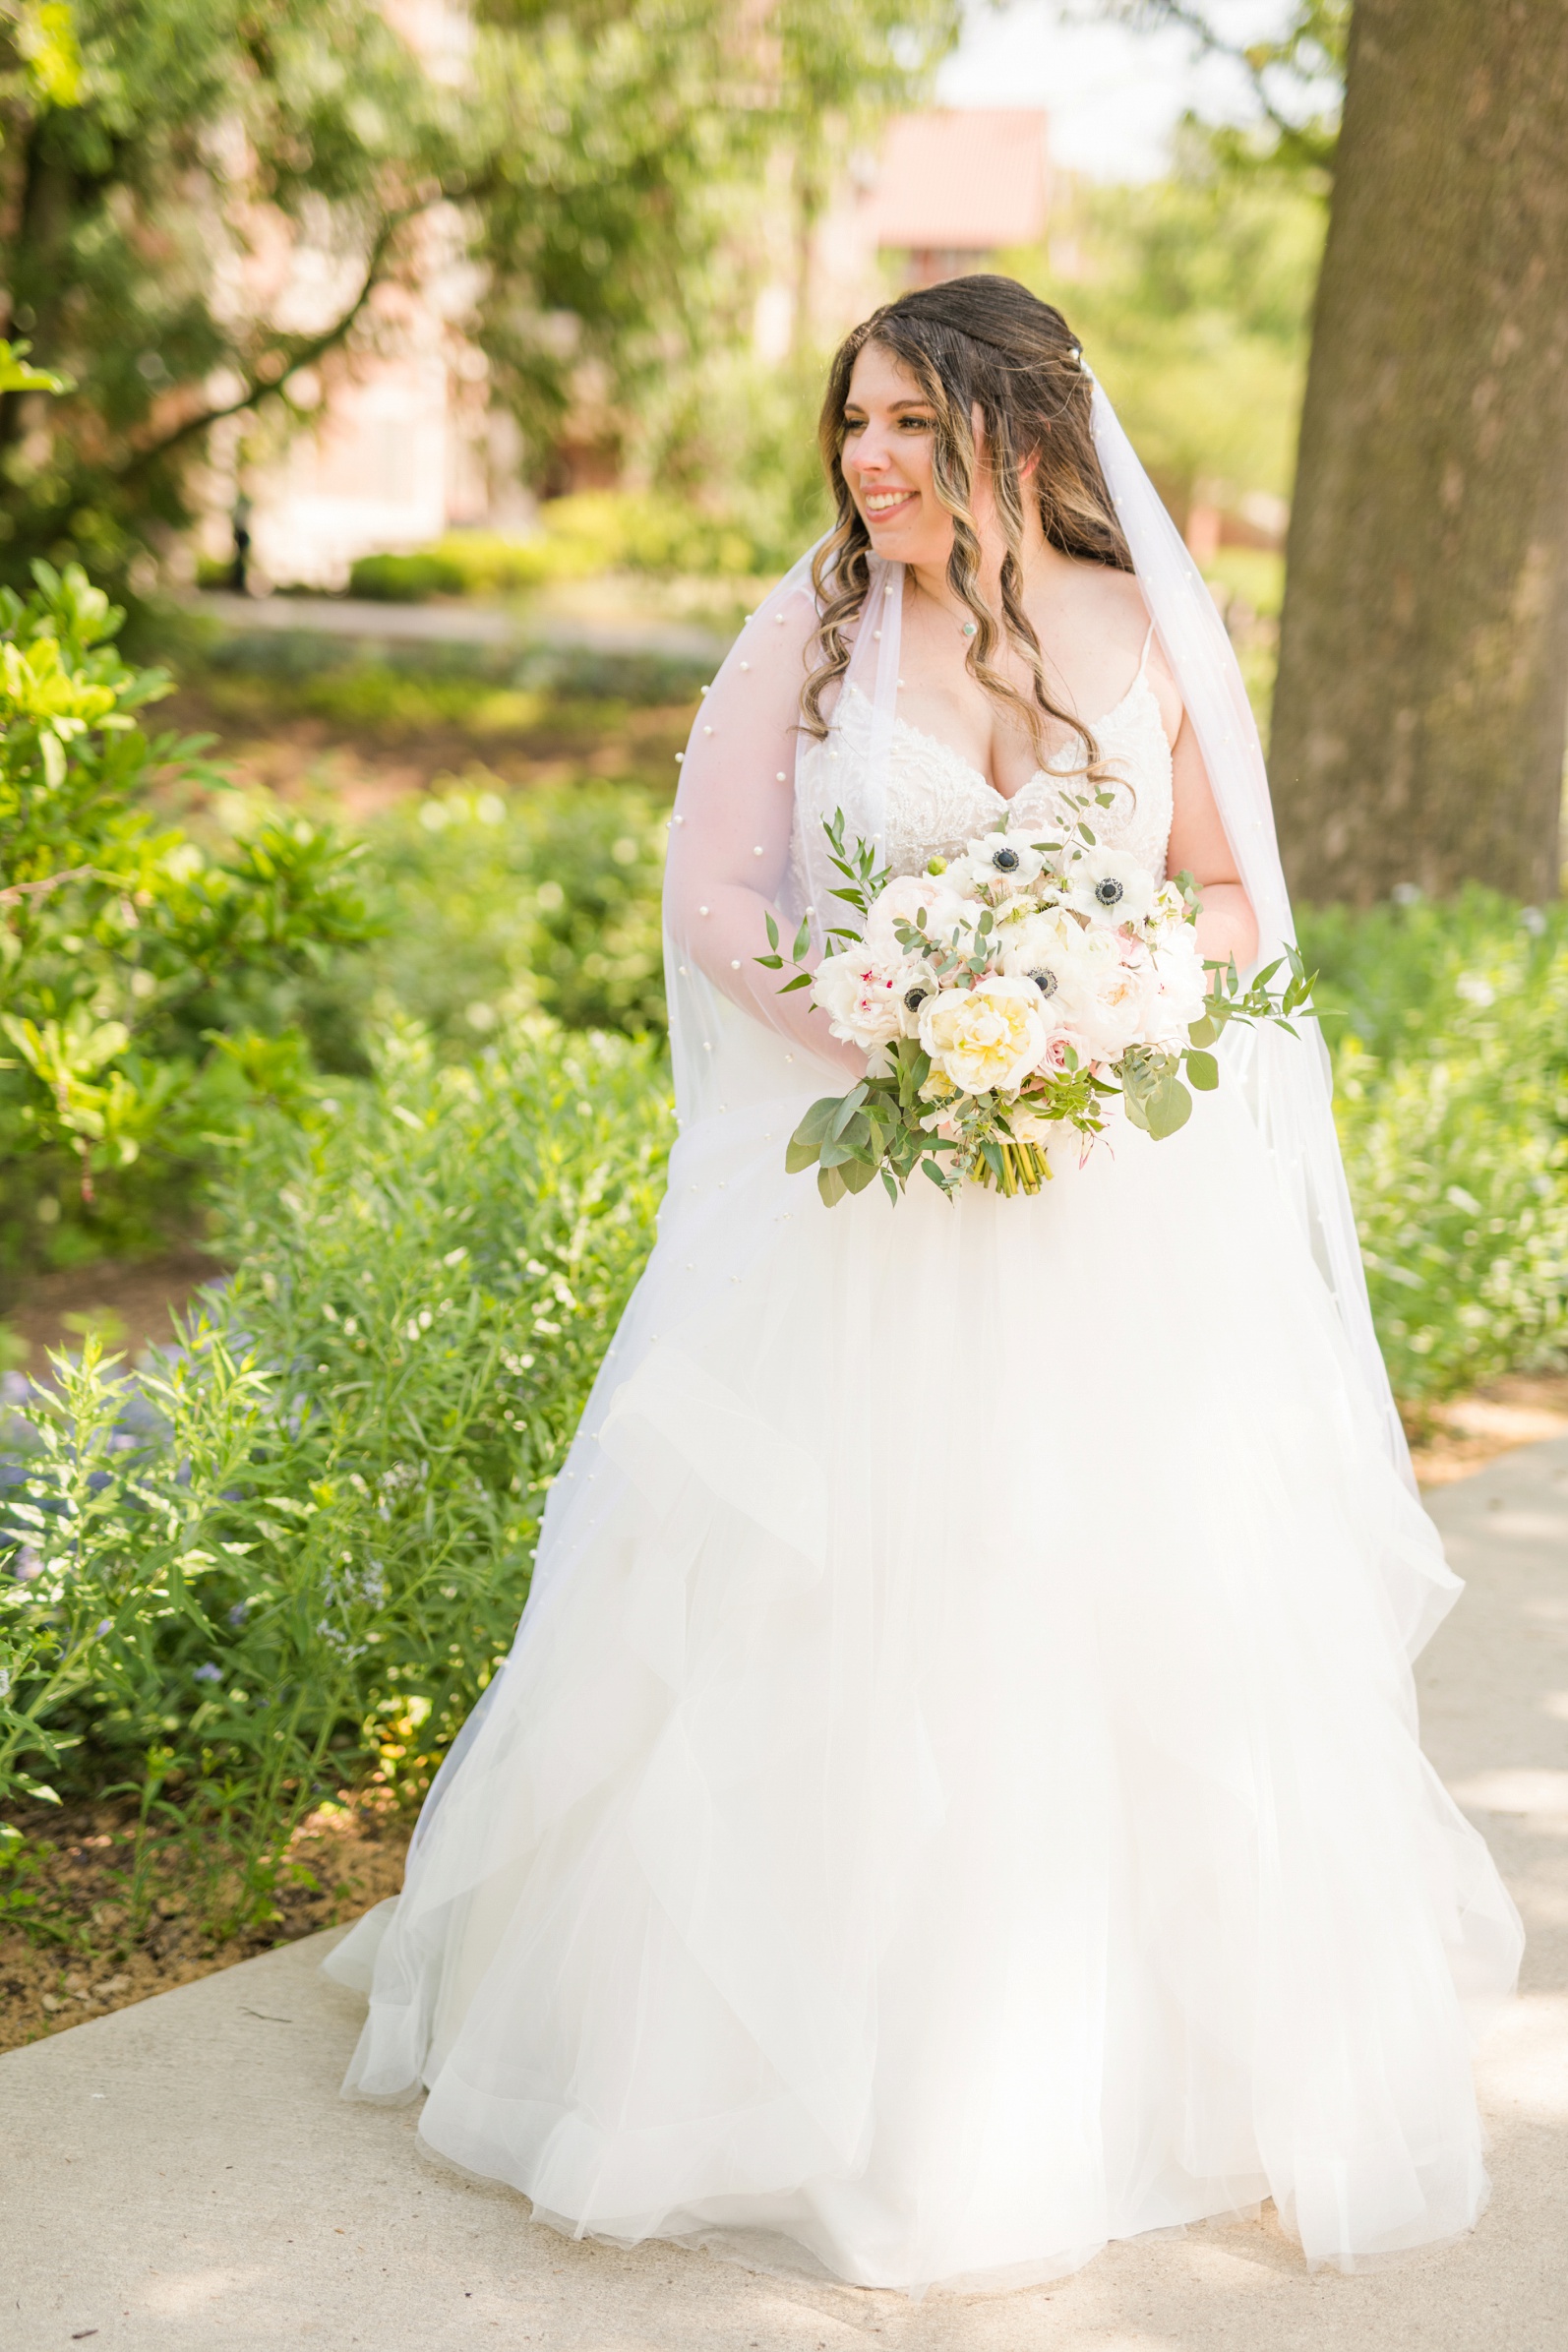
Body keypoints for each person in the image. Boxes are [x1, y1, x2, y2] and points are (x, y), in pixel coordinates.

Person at [326, 276, 1521, 2297]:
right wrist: (885, 1020)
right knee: (824, 1602)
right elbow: (712, 893)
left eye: (909, 423)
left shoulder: (1145, 627)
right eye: (854, 420)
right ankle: (752, 2066)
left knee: (1099, 1611)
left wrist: (1095, 995)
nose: (867, 459)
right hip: (855, 1209)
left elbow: (1229, 892)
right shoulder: (812, 624)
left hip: (1105, 1217)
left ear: (1020, 436)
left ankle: (1078, 2073)